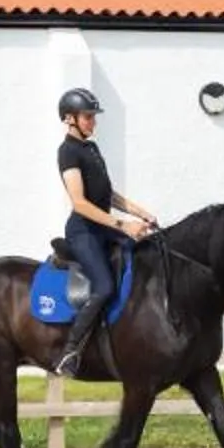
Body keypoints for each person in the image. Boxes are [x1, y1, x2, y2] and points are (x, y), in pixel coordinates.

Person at [52, 87, 155, 378]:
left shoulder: (91, 148)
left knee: (146, 254)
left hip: (104, 228)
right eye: (87, 117)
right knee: (105, 287)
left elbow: (107, 195)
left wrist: (140, 212)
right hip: (83, 231)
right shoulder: (67, 152)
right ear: (70, 118)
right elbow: (81, 203)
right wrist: (124, 226)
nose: (93, 122)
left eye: (93, 117)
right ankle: (70, 352)